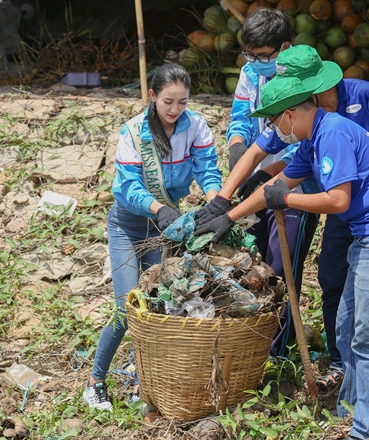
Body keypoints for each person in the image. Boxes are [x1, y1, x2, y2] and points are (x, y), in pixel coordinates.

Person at [195, 75, 369, 439]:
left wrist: (285, 201)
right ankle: (350, 412)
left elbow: (337, 201)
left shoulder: (333, 132)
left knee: (368, 335)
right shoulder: (311, 141)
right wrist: (227, 214)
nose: (274, 130)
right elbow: (276, 186)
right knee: (348, 327)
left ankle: (368, 429)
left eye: (274, 122)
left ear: (290, 114)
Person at [249, 44, 369, 386]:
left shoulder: (359, 100)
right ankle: (342, 365)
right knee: (333, 280)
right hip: (344, 212)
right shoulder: (310, 132)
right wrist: (227, 210)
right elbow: (277, 171)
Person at [83, 63, 222, 410]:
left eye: (183, 102)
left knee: (161, 308)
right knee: (127, 308)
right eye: (168, 102)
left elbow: (207, 168)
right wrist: (160, 208)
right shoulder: (132, 132)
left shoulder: (196, 126)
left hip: (167, 228)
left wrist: (215, 200)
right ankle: (95, 381)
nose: (175, 110)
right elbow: (128, 188)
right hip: (130, 226)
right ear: (152, 97)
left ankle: (147, 381)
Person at [194, 9, 318, 355]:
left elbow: (304, 150)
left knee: (281, 272)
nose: (255, 62)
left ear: (285, 47)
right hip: (253, 186)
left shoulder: (302, 80)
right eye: (250, 54)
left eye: (264, 56)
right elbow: (242, 123)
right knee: (254, 268)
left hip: (293, 190)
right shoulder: (250, 74)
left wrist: (267, 172)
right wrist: (237, 154)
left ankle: (277, 354)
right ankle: (251, 350)